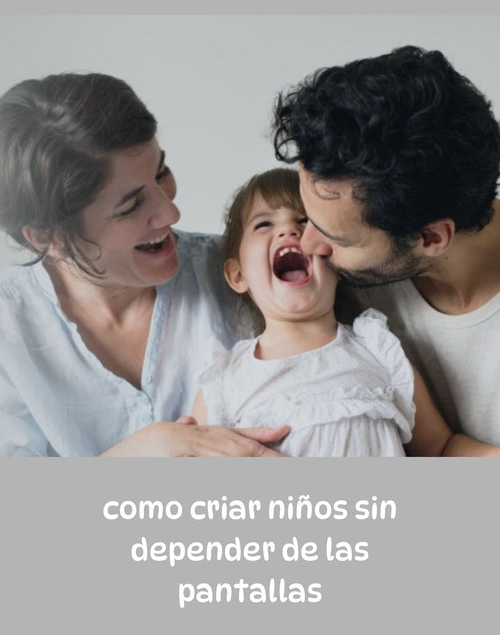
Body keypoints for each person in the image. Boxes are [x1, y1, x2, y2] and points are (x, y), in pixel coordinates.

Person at [0, 72, 289, 456]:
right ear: (47, 237)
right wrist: (139, 454)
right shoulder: (9, 331)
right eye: (131, 206)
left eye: (161, 173)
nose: (170, 212)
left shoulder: (247, 273)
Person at [272, 46, 500, 445]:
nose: (307, 243)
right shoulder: (328, 281)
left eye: (336, 238)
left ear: (431, 238)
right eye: (308, 218)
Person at [192, 168, 500, 456]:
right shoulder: (223, 384)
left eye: (305, 221)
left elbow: (441, 448)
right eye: (264, 224)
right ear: (237, 275)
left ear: (338, 263)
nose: (289, 230)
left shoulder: (379, 350)